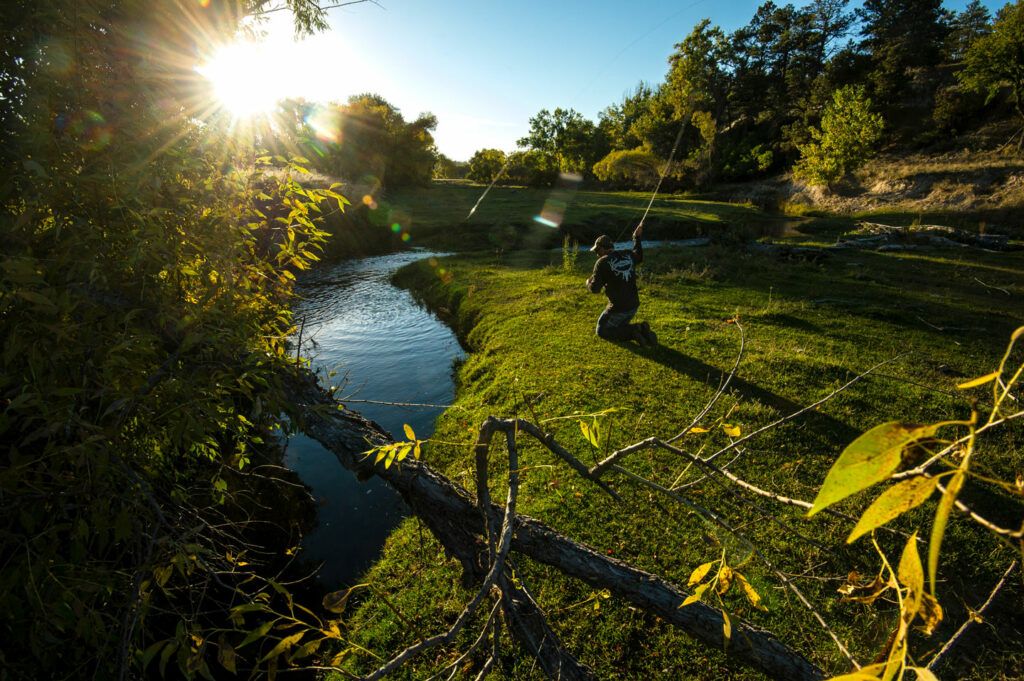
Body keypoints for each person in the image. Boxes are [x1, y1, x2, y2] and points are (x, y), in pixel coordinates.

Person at [585, 224, 658, 347]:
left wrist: (588, 283)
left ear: (603, 248)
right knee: (618, 326)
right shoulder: (628, 254)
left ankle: (634, 330)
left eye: (597, 250)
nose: (597, 254)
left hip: (618, 309)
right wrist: (637, 238)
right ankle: (641, 329)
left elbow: (595, 289)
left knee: (601, 331)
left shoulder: (601, 262)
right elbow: (639, 256)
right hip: (634, 305)